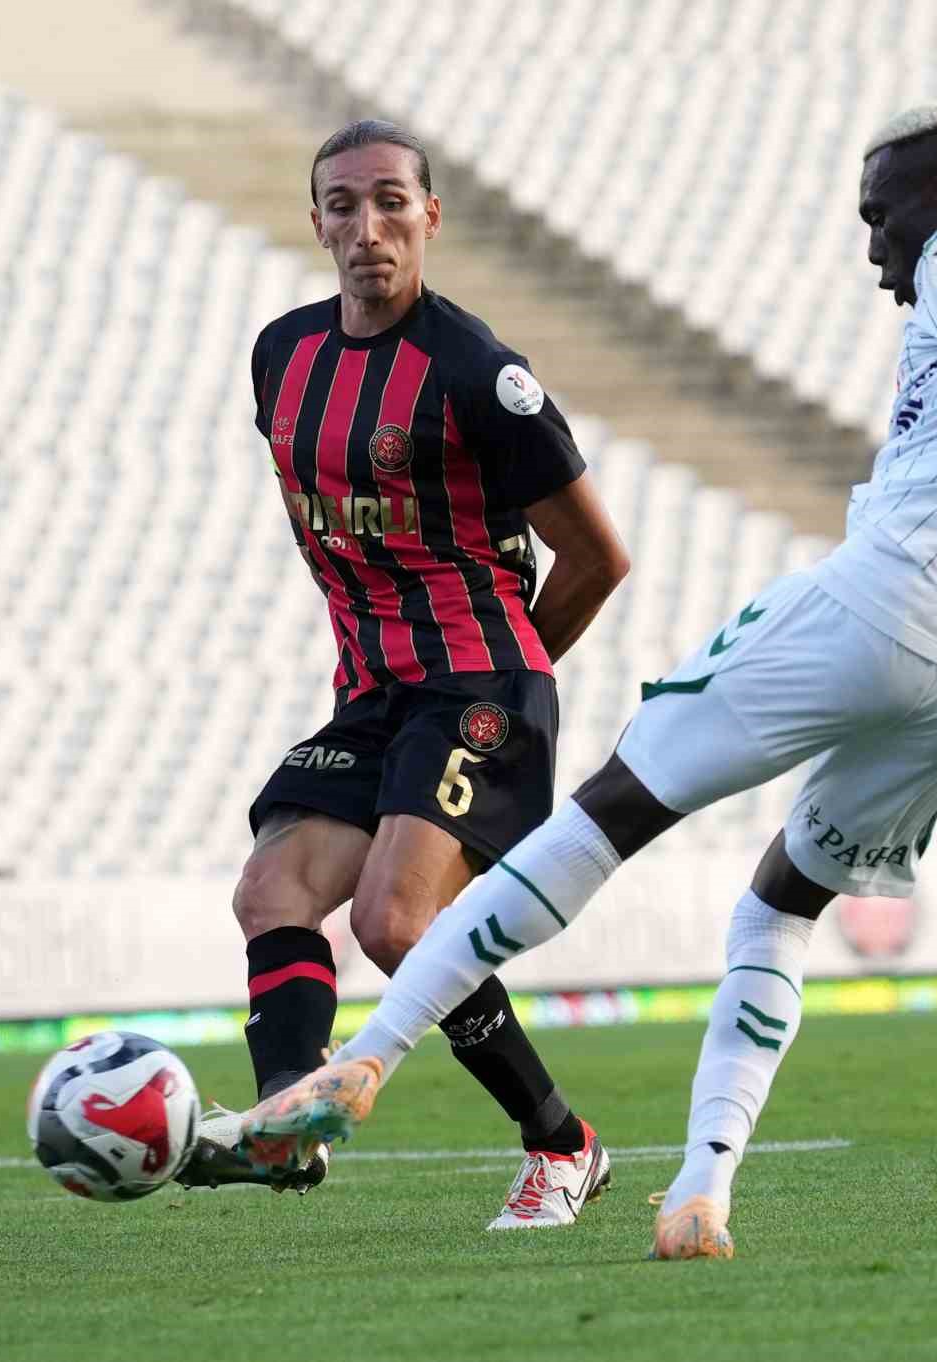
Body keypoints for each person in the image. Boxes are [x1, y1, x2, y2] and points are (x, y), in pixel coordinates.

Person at [233, 106, 937, 1257]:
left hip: (876, 606)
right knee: (779, 904)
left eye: (877, 219)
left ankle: (370, 1062)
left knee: (609, 815)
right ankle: (699, 1191)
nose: (876, 255)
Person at [174, 119, 630, 1232]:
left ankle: (565, 1146)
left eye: (390, 201)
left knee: (391, 923)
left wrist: (505, 686)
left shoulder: (479, 373)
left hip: (478, 683)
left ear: (430, 216)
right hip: (374, 694)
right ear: (317, 221)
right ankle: (288, 1127)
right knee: (269, 892)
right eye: (343, 204)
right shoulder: (281, 356)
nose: (367, 226)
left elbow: (598, 557)